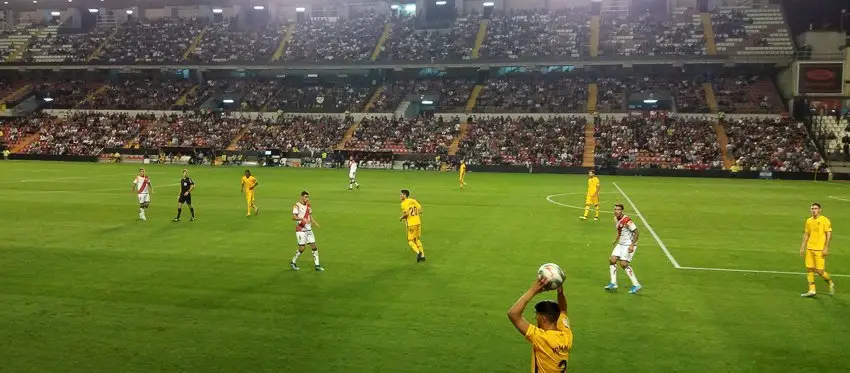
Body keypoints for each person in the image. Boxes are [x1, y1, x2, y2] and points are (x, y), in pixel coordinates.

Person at [507, 277, 572, 373]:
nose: (535, 318)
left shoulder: (541, 338)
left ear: (544, 318)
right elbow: (563, 310)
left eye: (537, 315)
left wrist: (533, 290)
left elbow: (513, 314)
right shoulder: (566, 334)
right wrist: (560, 293)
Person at [605, 203, 642, 294]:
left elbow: (637, 232)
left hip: (629, 244)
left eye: (618, 209)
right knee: (612, 259)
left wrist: (632, 245)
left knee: (623, 263)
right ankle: (613, 283)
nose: (616, 211)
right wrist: (616, 239)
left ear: (622, 211)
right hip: (621, 244)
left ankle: (636, 284)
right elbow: (620, 230)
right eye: (615, 209)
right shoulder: (615, 219)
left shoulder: (627, 220)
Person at [800, 202, 835, 297]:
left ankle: (830, 283)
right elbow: (806, 234)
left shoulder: (825, 220)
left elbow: (829, 234)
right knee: (809, 269)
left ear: (819, 210)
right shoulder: (809, 221)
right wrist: (803, 247)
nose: (814, 210)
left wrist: (826, 247)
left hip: (819, 249)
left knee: (820, 271)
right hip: (809, 248)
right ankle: (812, 290)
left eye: (815, 208)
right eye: (812, 209)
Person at [290, 191, 324, 271]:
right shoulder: (297, 206)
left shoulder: (308, 206)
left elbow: (310, 216)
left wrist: (315, 223)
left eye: (308, 197)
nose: (307, 199)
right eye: (305, 197)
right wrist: (302, 218)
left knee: (314, 246)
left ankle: (317, 265)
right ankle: (293, 261)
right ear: (301, 197)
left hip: (308, 229)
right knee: (302, 248)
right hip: (301, 230)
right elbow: (293, 217)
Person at [400, 189, 425, 263]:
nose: (400, 196)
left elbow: (406, 214)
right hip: (418, 222)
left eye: (401, 195)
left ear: (405, 195)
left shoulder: (404, 203)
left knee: (410, 241)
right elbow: (421, 210)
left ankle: (418, 253)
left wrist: (402, 217)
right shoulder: (413, 200)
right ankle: (423, 256)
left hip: (411, 224)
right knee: (416, 239)